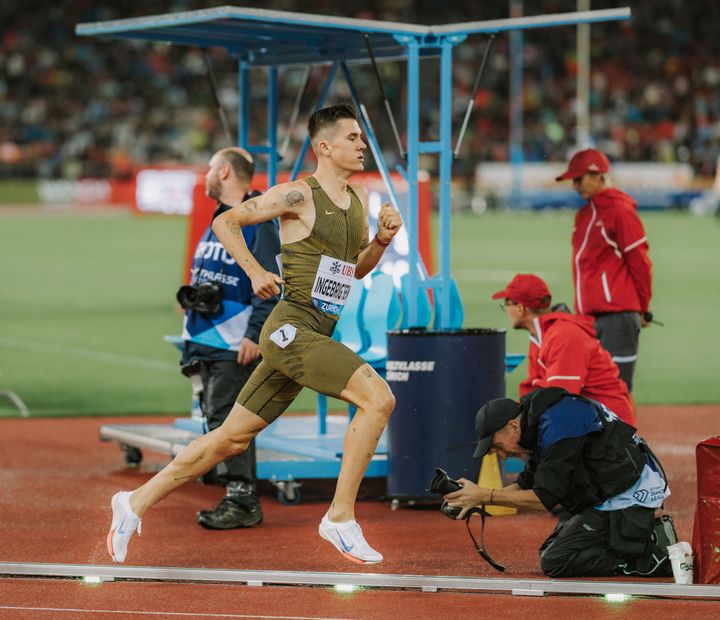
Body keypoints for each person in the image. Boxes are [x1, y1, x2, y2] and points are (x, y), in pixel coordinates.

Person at [107, 103, 402, 565]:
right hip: (289, 329)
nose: (362, 145)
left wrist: (382, 240)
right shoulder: (296, 196)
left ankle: (134, 502)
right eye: (353, 138)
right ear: (324, 147)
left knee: (230, 439)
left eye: (362, 138)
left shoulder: (359, 201)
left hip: (314, 329)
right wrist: (255, 270)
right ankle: (340, 518)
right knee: (378, 398)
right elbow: (225, 221)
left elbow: (355, 270)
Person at [444, 387, 676, 578]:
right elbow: (527, 484)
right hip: (607, 489)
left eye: (496, 446)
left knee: (557, 561)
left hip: (626, 494)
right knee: (553, 549)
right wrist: (473, 498)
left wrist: (486, 495)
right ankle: (641, 536)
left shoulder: (558, 425)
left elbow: (543, 498)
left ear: (512, 426)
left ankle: (652, 559)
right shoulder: (538, 420)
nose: (501, 455)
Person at [180, 146, 280, 530]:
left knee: (229, 423)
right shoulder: (221, 219)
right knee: (215, 418)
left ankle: (242, 500)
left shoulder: (257, 220)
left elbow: (272, 281)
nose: (204, 176)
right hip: (208, 339)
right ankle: (230, 486)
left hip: (234, 342)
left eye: (208, 168)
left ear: (224, 172)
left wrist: (255, 334)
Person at [555, 148, 653, 393]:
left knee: (616, 391)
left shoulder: (620, 211)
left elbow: (639, 262)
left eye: (579, 179)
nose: (574, 185)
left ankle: (628, 434)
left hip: (617, 316)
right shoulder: (584, 215)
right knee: (594, 390)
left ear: (598, 176)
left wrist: (643, 306)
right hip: (590, 317)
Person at [493, 273, 635, 425]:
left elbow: (559, 398)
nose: (506, 310)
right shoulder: (541, 336)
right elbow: (533, 390)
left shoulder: (565, 336)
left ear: (520, 308)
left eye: (506, 304)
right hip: (589, 418)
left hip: (609, 427)